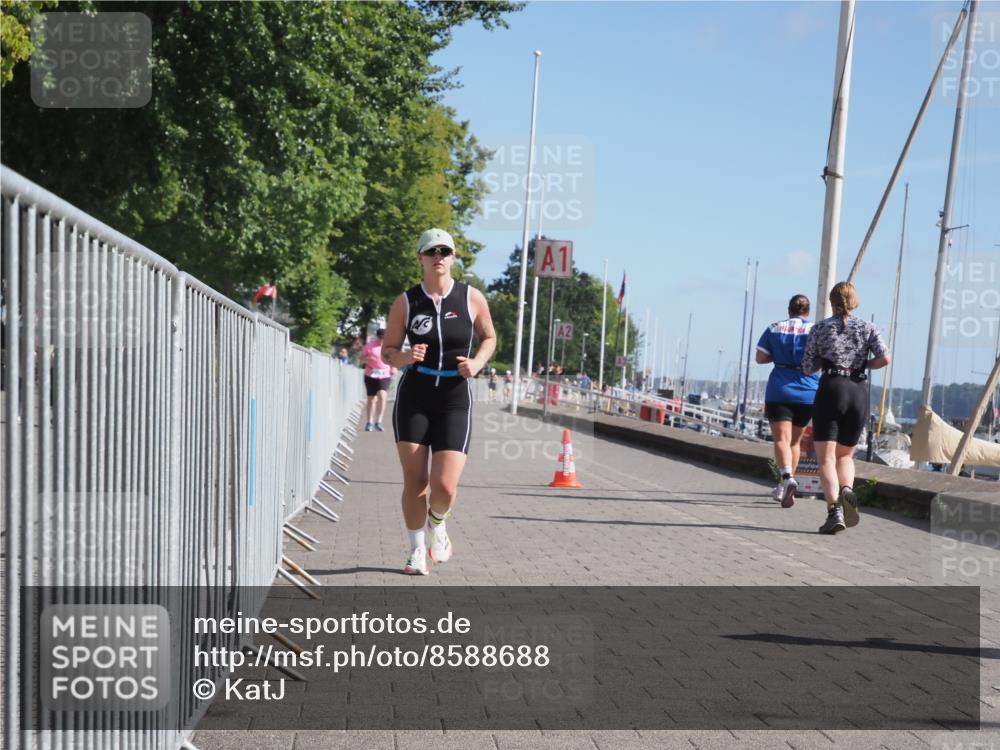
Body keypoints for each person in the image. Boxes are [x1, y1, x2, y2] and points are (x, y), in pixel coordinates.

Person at [381, 228, 497, 575]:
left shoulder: (471, 297)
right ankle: (417, 550)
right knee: (416, 481)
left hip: (454, 397)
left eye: (445, 251)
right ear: (420, 257)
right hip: (414, 396)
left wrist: (477, 363)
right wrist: (404, 357)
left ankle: (438, 523)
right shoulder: (406, 302)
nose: (438, 257)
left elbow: (489, 337)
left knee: (445, 486)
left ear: (453, 257)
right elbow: (387, 351)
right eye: (431, 252)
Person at [801, 282, 890, 535]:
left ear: (832, 302)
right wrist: (863, 364)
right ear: (854, 301)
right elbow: (885, 358)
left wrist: (823, 360)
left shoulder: (820, 328)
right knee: (845, 456)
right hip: (858, 391)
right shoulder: (868, 327)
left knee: (826, 458)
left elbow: (807, 367)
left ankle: (834, 512)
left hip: (831, 389)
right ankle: (847, 491)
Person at [755, 294, 820, 508]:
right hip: (808, 391)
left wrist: (777, 356)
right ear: (807, 311)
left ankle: (786, 478)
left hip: (780, 389)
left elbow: (760, 358)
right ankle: (784, 485)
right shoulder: (816, 330)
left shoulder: (774, 328)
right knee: (794, 442)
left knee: (781, 440)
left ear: (789, 309)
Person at [362, 328, 394, 431]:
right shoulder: (369, 346)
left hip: (385, 374)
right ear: (377, 337)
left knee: (382, 395)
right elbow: (361, 358)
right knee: (371, 399)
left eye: (384, 338)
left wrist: (394, 367)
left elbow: (394, 358)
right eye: (380, 338)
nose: (382, 340)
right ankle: (369, 422)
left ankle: (379, 421)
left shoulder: (389, 347)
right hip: (370, 374)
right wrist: (367, 359)